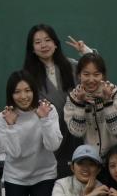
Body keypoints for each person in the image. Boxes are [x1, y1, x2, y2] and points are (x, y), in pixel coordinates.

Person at [22, 24, 93, 177]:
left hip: (79, 134)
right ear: (32, 48)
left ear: (55, 44)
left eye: (47, 40)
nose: (43, 45)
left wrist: (86, 52)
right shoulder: (27, 77)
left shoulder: (72, 66)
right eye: (38, 42)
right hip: (49, 140)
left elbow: (96, 75)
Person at [64, 52, 117, 163]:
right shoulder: (73, 97)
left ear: (103, 75)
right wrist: (80, 104)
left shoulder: (113, 93)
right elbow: (77, 132)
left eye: (96, 74)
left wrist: (107, 102)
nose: (91, 79)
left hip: (116, 158)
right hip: (90, 160)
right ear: (79, 75)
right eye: (86, 74)